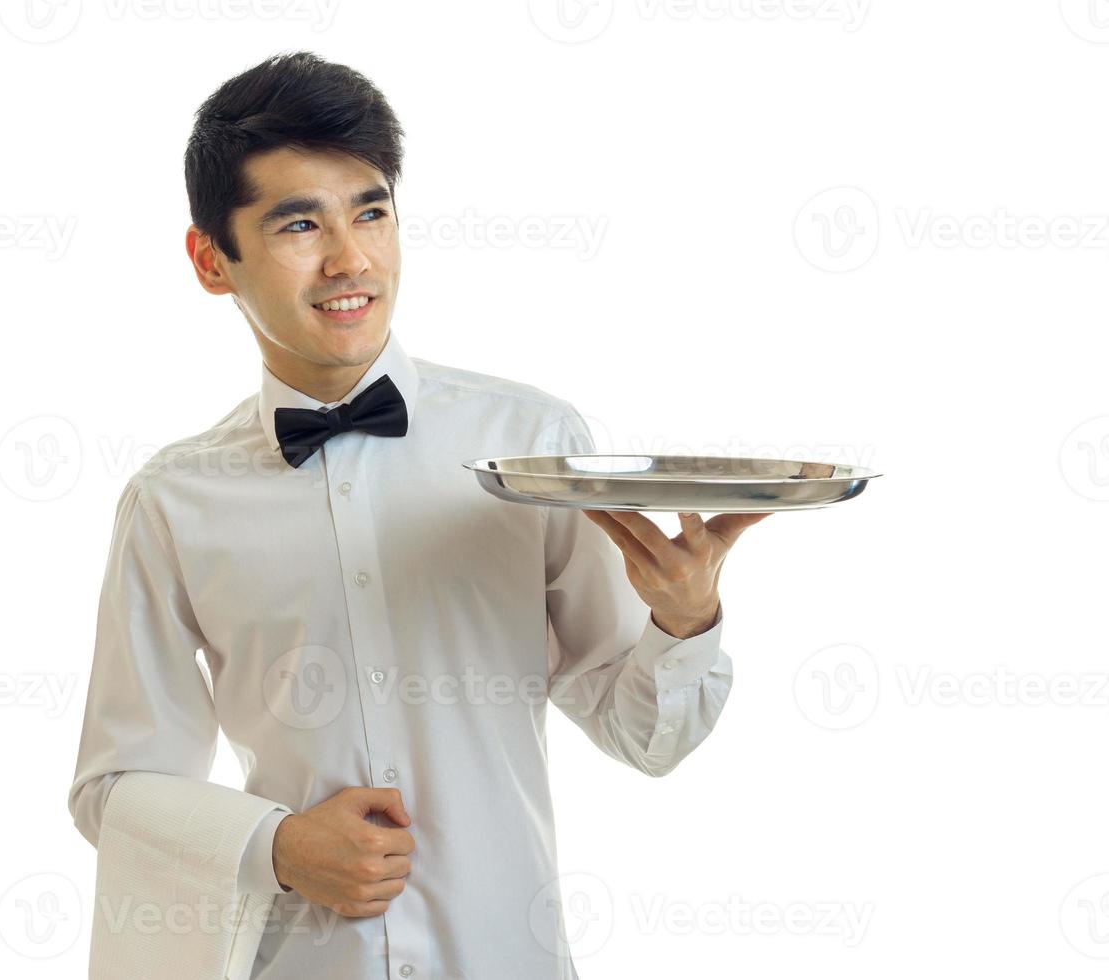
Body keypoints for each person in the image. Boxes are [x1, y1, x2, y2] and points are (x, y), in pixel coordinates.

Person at [68, 49, 769, 980]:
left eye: (371, 210)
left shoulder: (534, 446)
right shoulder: (171, 502)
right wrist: (274, 847)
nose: (349, 259)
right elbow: (115, 788)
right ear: (211, 259)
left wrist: (685, 619)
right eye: (298, 225)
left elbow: (644, 735)